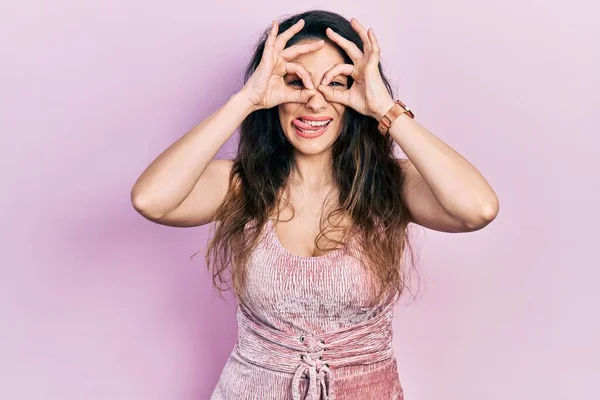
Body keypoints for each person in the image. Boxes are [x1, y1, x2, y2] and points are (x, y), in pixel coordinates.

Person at [130, 9, 499, 400]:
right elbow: (151, 199)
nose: (313, 101)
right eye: (295, 82)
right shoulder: (241, 184)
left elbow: (477, 208)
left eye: (336, 83)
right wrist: (246, 100)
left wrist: (385, 109)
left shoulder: (390, 185)